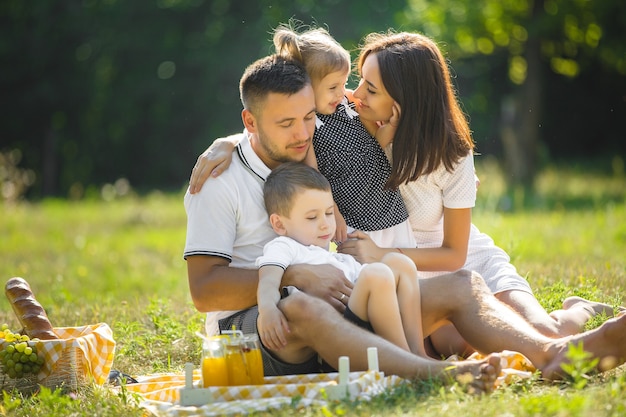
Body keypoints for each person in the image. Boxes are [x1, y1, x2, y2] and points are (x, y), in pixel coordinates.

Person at [183, 52, 626, 390]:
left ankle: (551, 354)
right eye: (286, 124)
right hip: (264, 330)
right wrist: (295, 274)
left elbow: (339, 90)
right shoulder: (220, 181)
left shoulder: (318, 145)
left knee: (461, 283)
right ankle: (434, 374)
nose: (302, 133)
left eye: (308, 117)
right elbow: (203, 291)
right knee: (302, 304)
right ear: (249, 122)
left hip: (345, 303)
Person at [191, 23, 416, 248]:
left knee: (403, 274)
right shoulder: (310, 132)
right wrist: (332, 209)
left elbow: (371, 148)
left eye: (344, 84)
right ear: (309, 86)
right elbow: (312, 174)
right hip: (356, 218)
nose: (343, 92)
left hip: (388, 204)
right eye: (333, 87)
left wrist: (389, 128)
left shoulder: (346, 104)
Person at [257, 162, 425, 356]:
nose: (325, 225)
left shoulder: (332, 254)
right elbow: (268, 280)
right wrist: (267, 309)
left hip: (358, 314)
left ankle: (418, 351)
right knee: (376, 273)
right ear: (279, 224)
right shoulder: (284, 247)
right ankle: (405, 359)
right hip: (336, 328)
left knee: (399, 262)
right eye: (312, 217)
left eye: (329, 213)